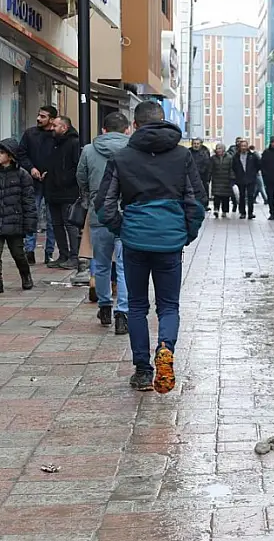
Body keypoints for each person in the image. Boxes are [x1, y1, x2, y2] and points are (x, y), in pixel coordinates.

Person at [95, 100, 206, 394]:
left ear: (135, 125)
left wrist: (124, 229)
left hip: (135, 241)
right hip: (170, 241)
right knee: (168, 305)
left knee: (137, 306)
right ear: (164, 121)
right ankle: (165, 348)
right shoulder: (182, 156)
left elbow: (104, 205)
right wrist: (186, 234)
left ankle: (143, 370)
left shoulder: (122, 157)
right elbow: (196, 202)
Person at [76, 112, 130, 334]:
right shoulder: (133, 149)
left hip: (99, 211)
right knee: (125, 265)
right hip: (127, 211)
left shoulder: (89, 150)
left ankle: (104, 306)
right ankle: (122, 313)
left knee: (101, 263)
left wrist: (91, 197)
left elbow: (80, 177)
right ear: (127, 130)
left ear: (104, 130)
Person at [0, 138, 36, 294]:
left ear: (10, 156)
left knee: (18, 254)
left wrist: (29, 225)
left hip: (14, 222)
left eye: (1, 152)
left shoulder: (22, 176)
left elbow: (29, 202)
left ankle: (26, 275)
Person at [16, 105, 57, 264]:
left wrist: (51, 172)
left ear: (52, 119)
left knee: (52, 219)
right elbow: (21, 153)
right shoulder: (30, 134)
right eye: (39, 115)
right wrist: (31, 168)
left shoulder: (56, 136)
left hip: (52, 183)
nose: (39, 118)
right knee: (31, 215)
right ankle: (29, 251)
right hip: (33, 182)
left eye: (43, 116)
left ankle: (49, 253)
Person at [42, 115, 82, 270]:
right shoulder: (53, 143)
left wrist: (64, 179)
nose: (52, 128)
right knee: (56, 224)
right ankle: (63, 255)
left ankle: (74, 256)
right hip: (53, 191)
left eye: (55, 126)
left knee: (69, 224)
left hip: (68, 192)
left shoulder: (74, 143)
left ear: (64, 128)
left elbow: (76, 167)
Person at [232, 140, 261, 219]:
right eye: (242, 146)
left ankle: (250, 212)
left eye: (245, 146)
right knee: (242, 196)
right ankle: (242, 212)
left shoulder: (252, 155)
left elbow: (258, 164)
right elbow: (233, 167)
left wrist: (254, 172)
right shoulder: (236, 156)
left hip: (251, 178)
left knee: (250, 196)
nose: (243, 148)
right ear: (240, 147)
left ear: (247, 146)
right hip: (240, 178)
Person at [209, 144, 234, 217]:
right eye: (217, 148)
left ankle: (224, 211)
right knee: (216, 196)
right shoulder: (213, 158)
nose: (218, 150)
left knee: (225, 197)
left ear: (224, 149)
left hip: (226, 180)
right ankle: (216, 209)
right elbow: (210, 169)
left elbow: (231, 168)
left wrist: (232, 178)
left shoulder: (229, 157)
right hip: (216, 179)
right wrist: (208, 178)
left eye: (219, 148)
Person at [189, 138, 212, 210]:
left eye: (197, 144)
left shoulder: (205, 152)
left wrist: (207, 177)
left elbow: (207, 165)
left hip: (203, 175)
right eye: (194, 143)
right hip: (191, 175)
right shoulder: (188, 152)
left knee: (204, 190)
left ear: (201, 144)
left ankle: (205, 205)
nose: (196, 145)